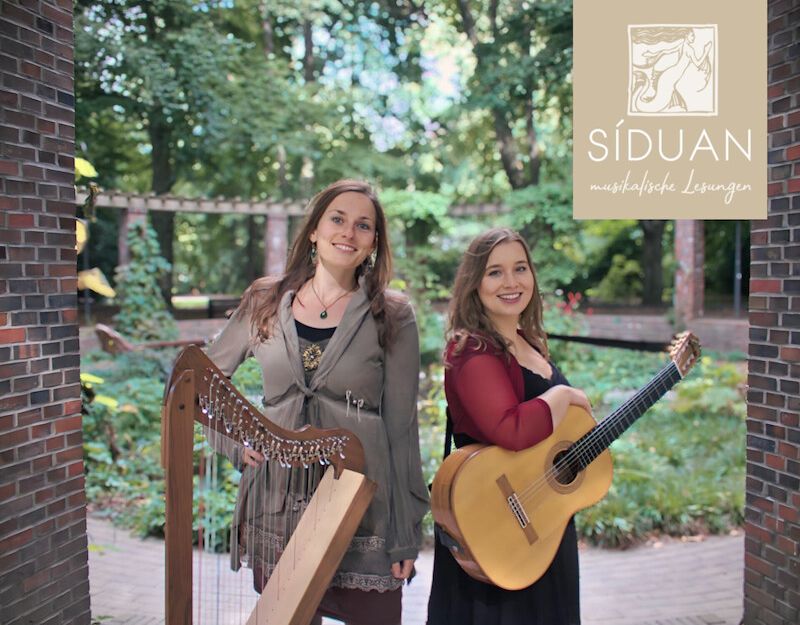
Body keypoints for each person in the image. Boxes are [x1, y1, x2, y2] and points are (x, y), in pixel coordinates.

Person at [205, 179, 429, 625]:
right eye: (338, 219)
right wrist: (232, 441)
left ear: (373, 242)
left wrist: (405, 535)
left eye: (363, 225)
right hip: (276, 500)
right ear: (313, 229)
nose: (349, 232)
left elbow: (402, 428)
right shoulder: (265, 300)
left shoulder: (393, 314)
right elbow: (201, 383)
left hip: (364, 508)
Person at [426, 228, 592, 625]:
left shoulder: (526, 341)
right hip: (492, 529)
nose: (512, 282)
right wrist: (562, 396)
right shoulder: (472, 350)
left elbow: (547, 437)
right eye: (495, 272)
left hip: (543, 521)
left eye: (520, 268)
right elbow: (511, 430)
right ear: (474, 284)